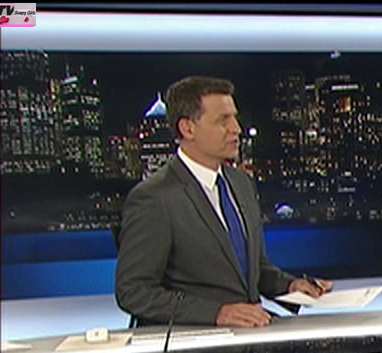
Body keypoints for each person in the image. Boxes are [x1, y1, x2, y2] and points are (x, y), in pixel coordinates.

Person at [116, 76, 331, 327]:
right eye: (223, 120)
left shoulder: (241, 183)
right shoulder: (155, 197)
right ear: (188, 128)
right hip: (195, 342)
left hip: (250, 332)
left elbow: (253, 269)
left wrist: (292, 286)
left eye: (235, 118)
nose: (236, 129)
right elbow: (134, 291)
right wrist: (216, 313)